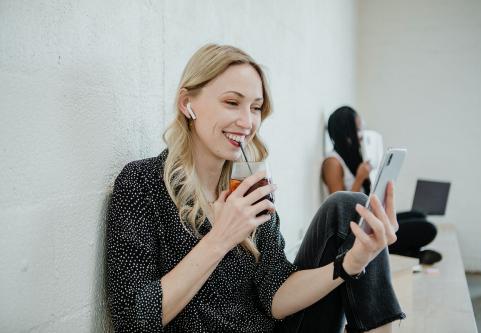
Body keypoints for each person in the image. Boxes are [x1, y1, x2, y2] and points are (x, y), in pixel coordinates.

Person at [105, 44, 405, 333]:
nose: (247, 122)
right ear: (188, 104)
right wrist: (220, 239)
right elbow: (135, 321)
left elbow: (276, 296)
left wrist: (350, 264)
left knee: (349, 207)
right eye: (232, 102)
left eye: (256, 108)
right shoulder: (142, 183)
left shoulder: (250, 189)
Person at [322, 106, 442, 265]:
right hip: (355, 231)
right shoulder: (332, 162)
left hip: (369, 218)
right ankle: (409, 254)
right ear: (347, 131)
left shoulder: (353, 155)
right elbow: (339, 210)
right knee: (427, 228)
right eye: (357, 129)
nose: (361, 135)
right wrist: (359, 179)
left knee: (419, 215)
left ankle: (408, 254)